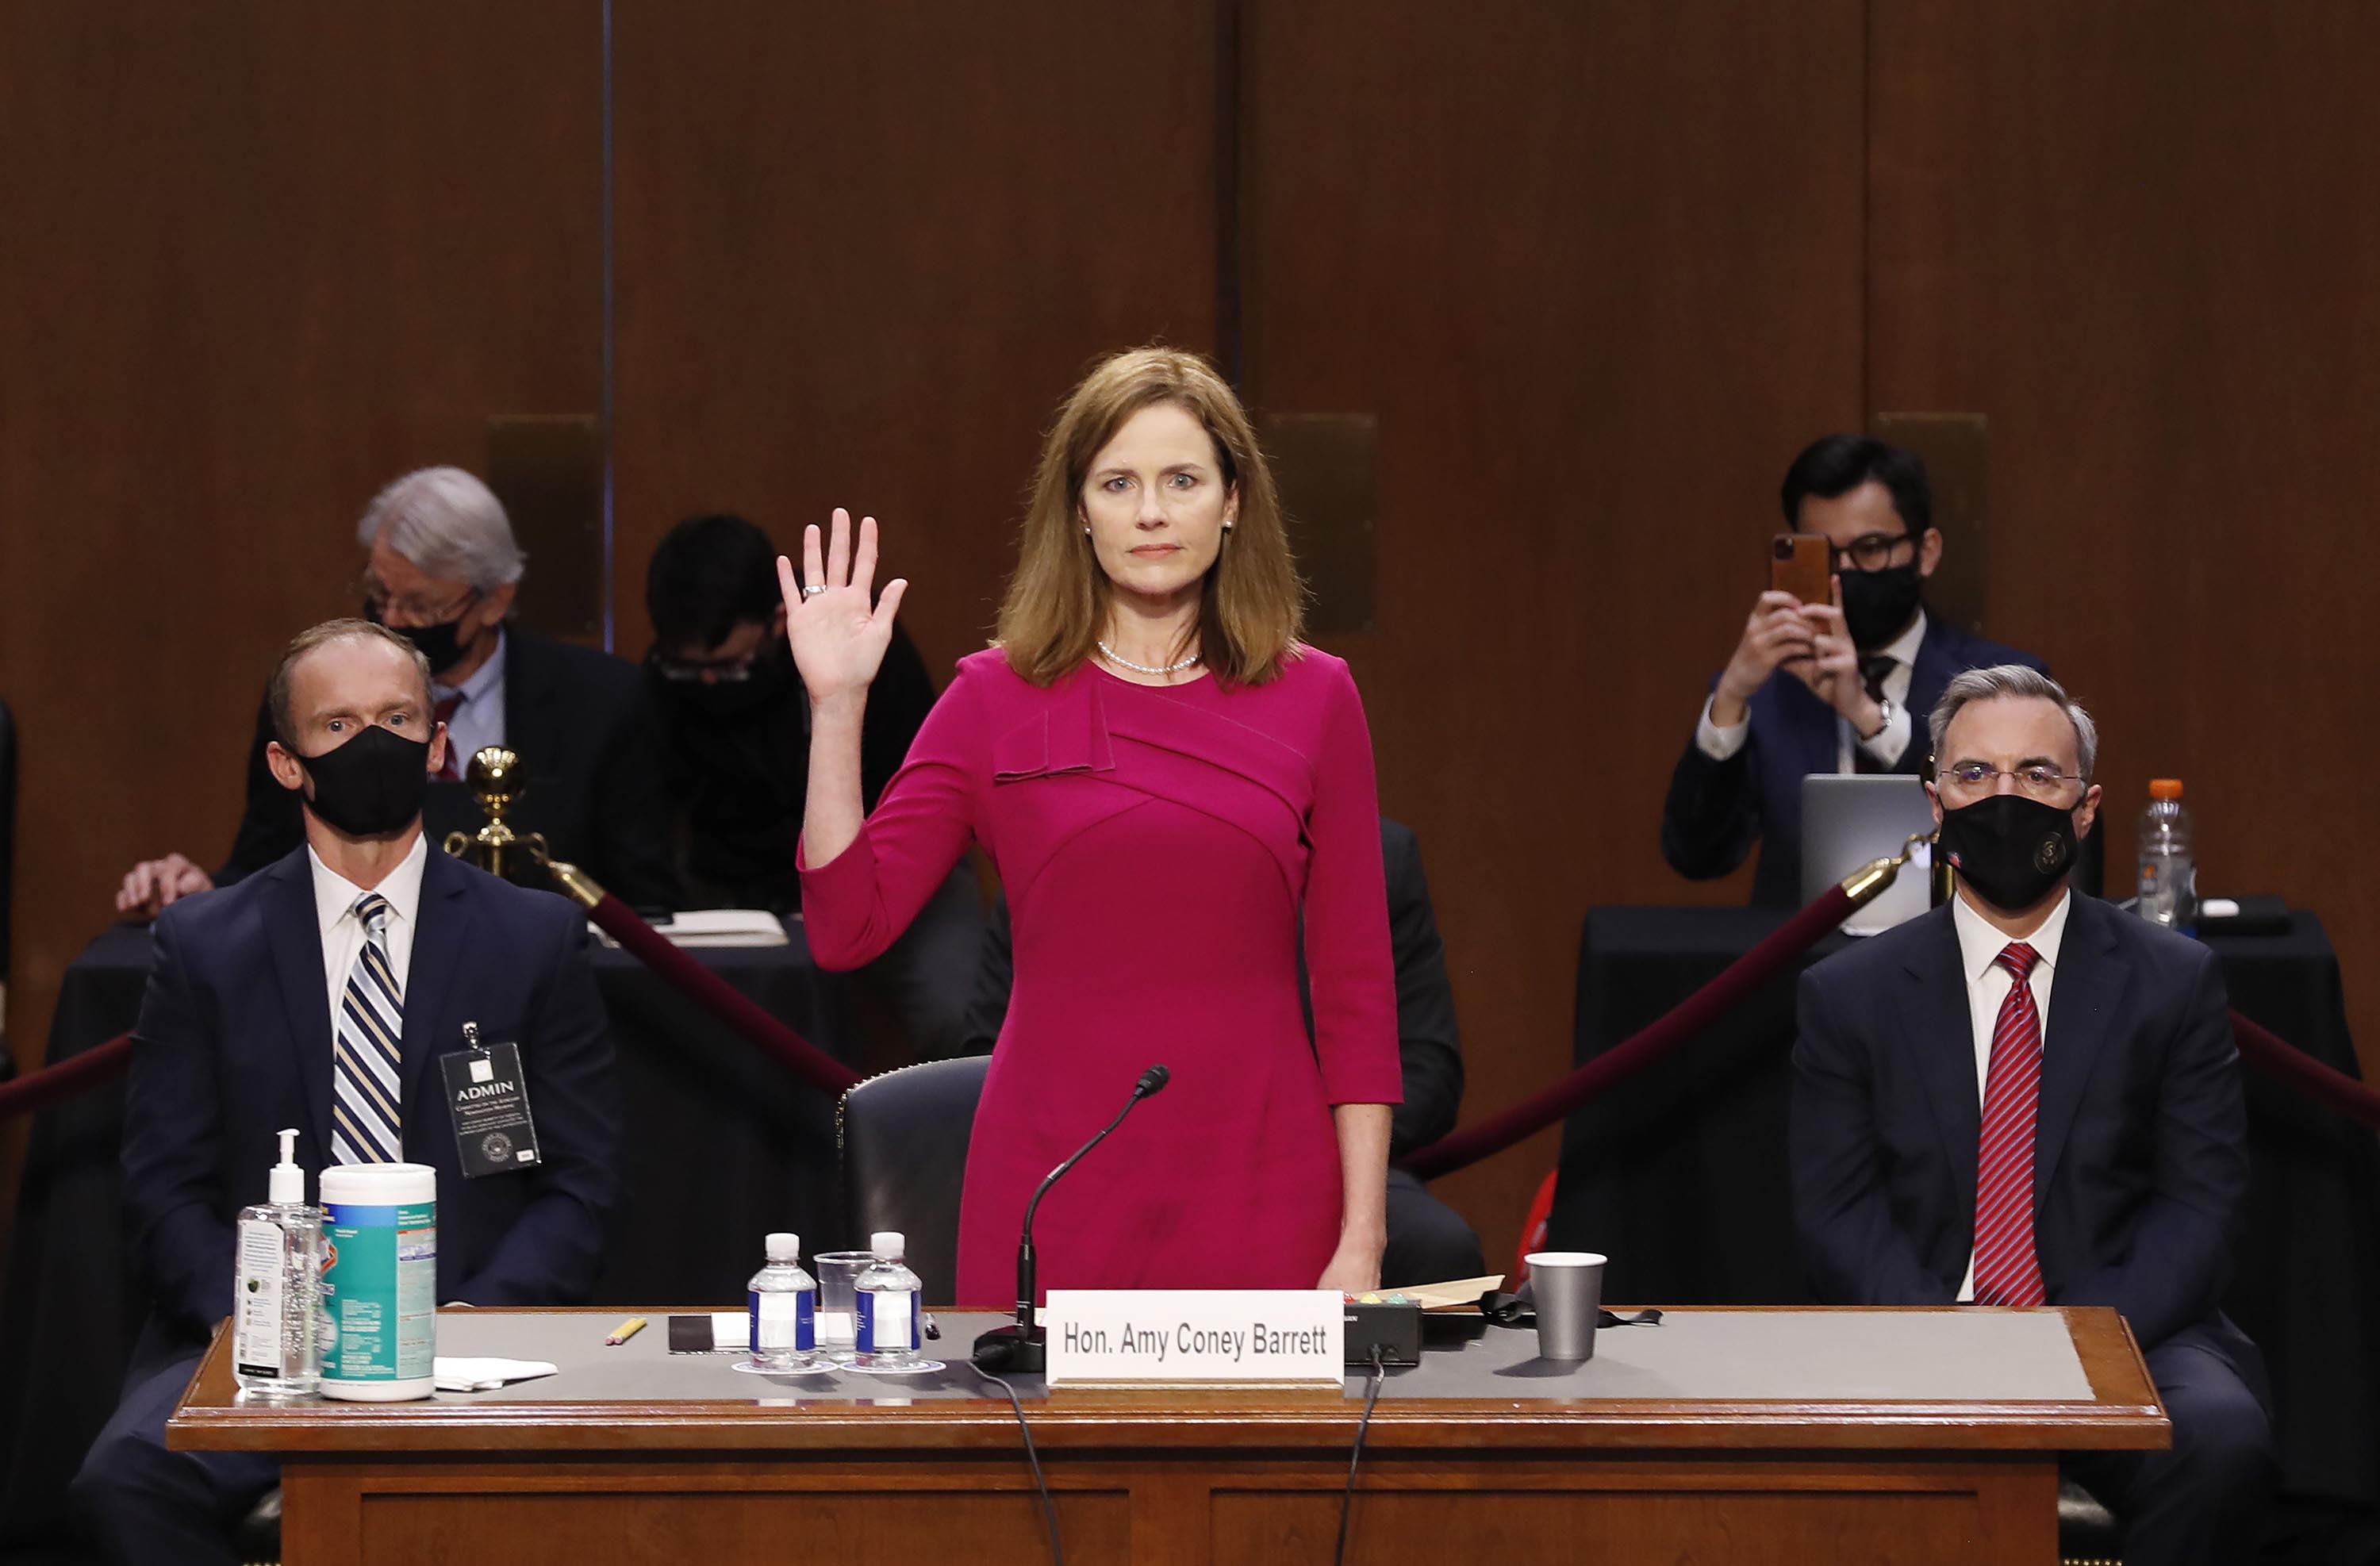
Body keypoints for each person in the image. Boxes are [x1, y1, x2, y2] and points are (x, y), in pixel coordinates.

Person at [790, 347, 1401, 1302]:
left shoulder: (1318, 697)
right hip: (1051, 1189)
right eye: (1118, 483)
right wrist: (836, 710)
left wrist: (1362, 1239)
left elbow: (1360, 989)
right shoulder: (993, 697)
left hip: (1266, 1186)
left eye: (1182, 480)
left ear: (1233, 501)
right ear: (1079, 511)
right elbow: (845, 926)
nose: (1151, 512)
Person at [74, 619, 621, 1566]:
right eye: (338, 726)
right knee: (122, 1481)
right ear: (287, 764)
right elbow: (163, 1186)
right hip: (258, 1337)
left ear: (439, 744)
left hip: (470, 1332)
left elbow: (579, 1184)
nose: (375, 742)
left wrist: (474, 1322)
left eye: (399, 717)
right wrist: (256, 1323)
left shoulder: (531, 939)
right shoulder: (206, 947)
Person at [1791, 666, 2272, 1566]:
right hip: (1921, 1328)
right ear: (1934, 802)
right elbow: (1837, 1217)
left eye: (2037, 776)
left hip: (2127, 1330)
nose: (2004, 798)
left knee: (2218, 1438)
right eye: (1975, 776)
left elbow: (2201, 1209)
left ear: (2085, 810)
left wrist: (2070, 1344)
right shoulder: (1847, 996)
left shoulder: (2173, 982)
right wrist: (1955, 1345)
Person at [115, 467, 679, 917]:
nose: (391, 618)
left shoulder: (604, 701)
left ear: (494, 601)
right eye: (381, 594)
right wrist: (200, 889)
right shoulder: (313, 690)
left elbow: (641, 897)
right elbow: (266, 860)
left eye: (420, 606)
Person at [961, 816, 1484, 1286]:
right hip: (1106, 1163)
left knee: (1439, 1247)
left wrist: (1290, 1145)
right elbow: (985, 1061)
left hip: (1310, 1166)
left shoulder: (1379, 856)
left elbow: (1428, 1070)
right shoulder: (1060, 851)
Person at [645, 513, 983, 1058]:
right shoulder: (667, 677)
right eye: (689, 671)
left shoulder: (856, 641)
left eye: (728, 668)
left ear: (778, 620)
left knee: (958, 1014)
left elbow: (917, 792)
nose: (708, 685)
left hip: (891, 856)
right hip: (740, 883)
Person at [1662, 436, 2044, 905]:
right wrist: (1731, 697)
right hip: (1803, 967)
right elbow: (1697, 855)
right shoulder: (1767, 692)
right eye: (1824, 554)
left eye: (1869, 549)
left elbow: (2018, 848)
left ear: (1925, 552)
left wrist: (1866, 714)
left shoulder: (2007, 686)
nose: (1844, 573)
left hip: (1955, 965)